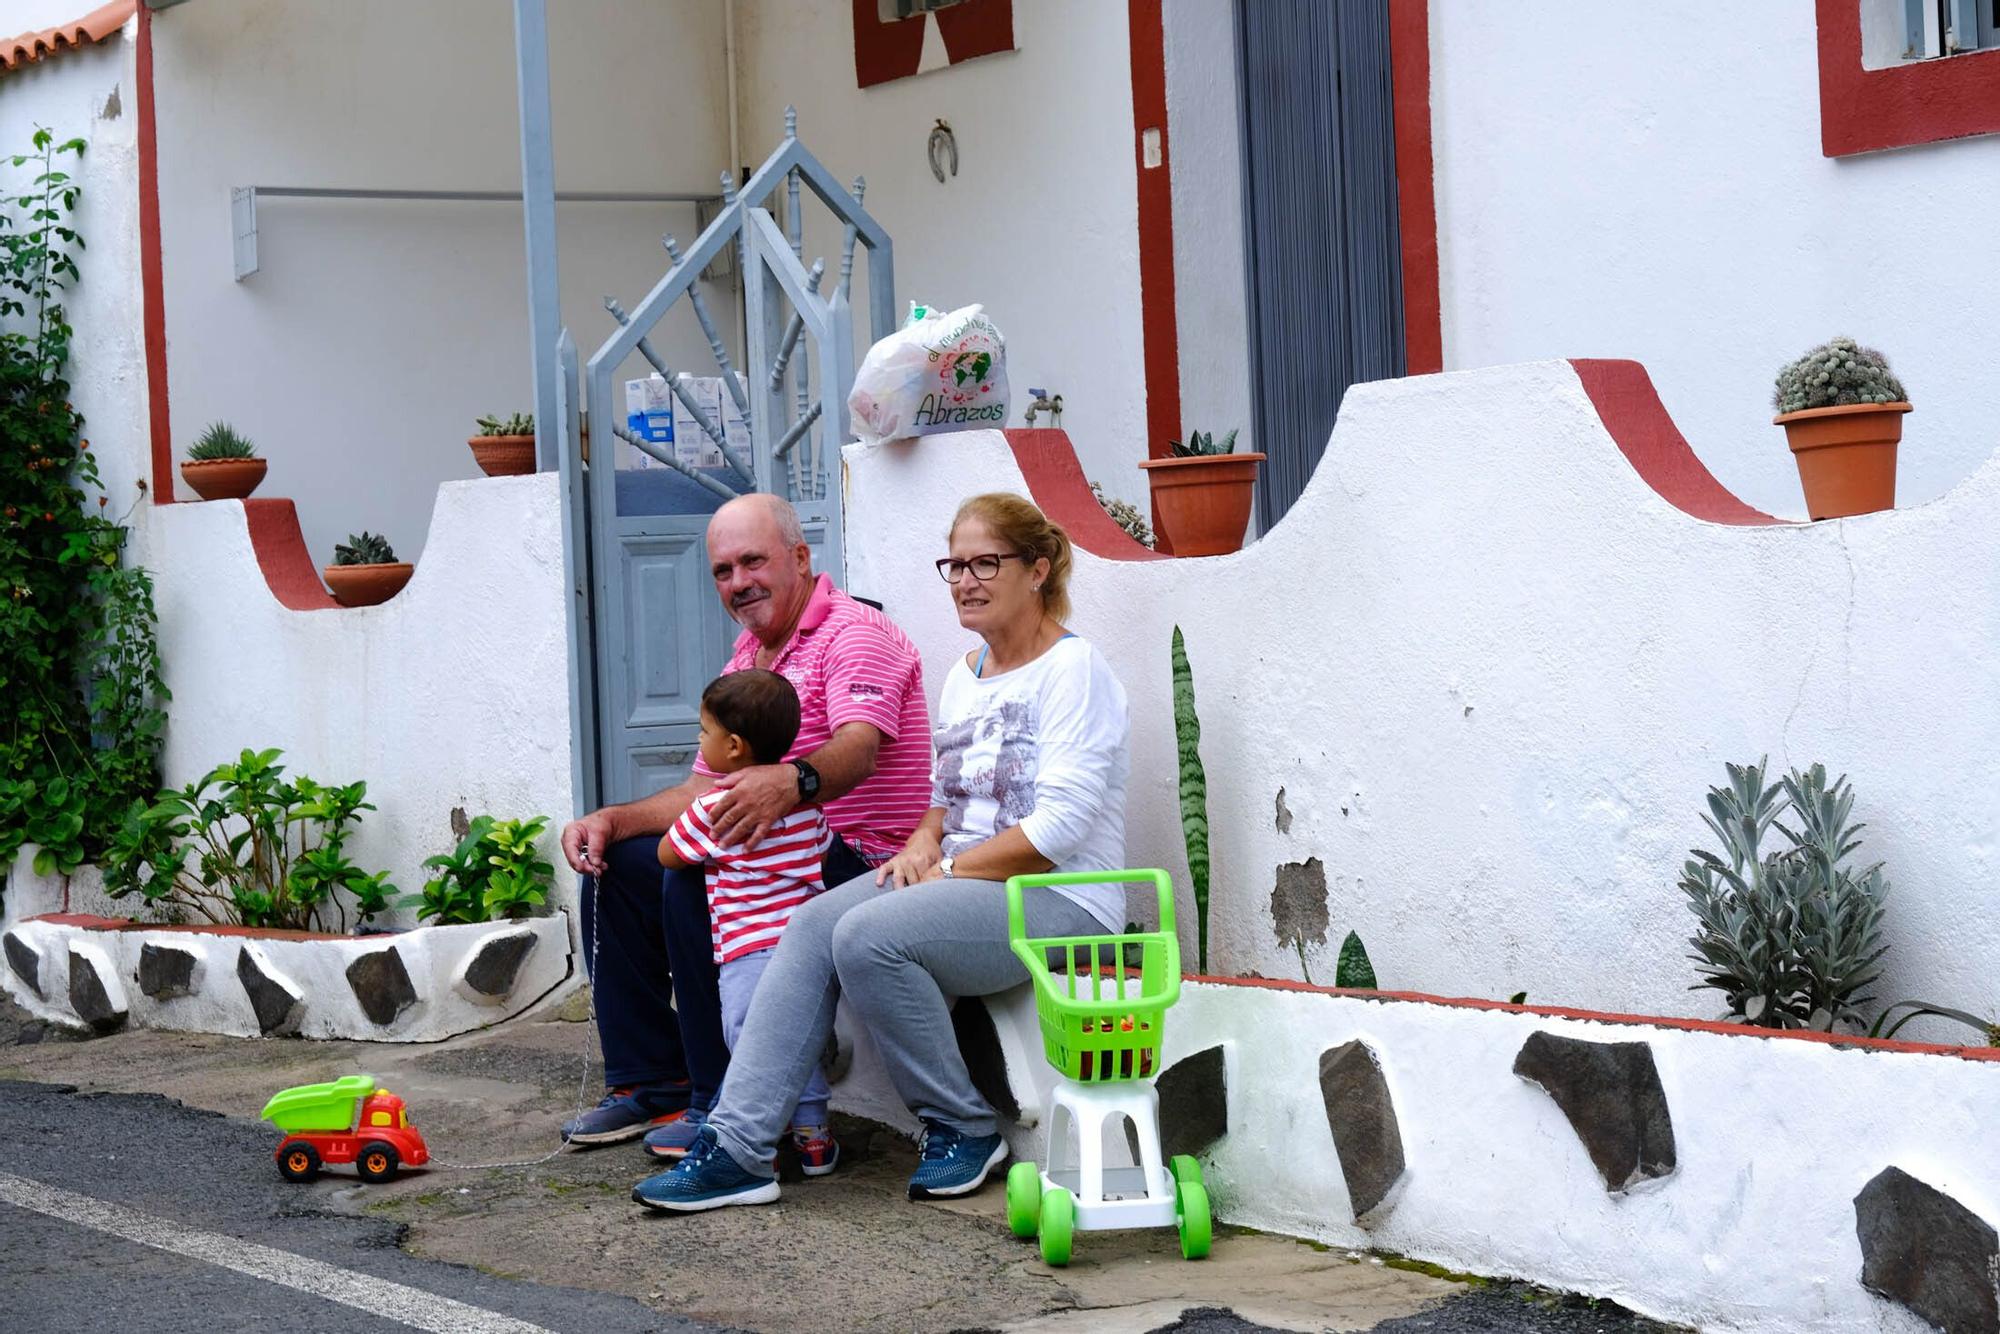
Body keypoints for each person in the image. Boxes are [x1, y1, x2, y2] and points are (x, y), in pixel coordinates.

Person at [632, 491, 1131, 1213]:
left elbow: (1056, 833)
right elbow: (946, 794)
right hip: (968, 885)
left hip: (1060, 898)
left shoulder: (1074, 673)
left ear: (1038, 568)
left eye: (986, 562)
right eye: (954, 565)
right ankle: (739, 1148)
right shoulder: (967, 674)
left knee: (868, 935)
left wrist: (945, 867)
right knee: (810, 924)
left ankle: (961, 1123)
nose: (966, 580)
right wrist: (927, 839)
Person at [559, 494, 931, 1150]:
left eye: (752, 562)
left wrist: (793, 781)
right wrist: (614, 820)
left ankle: (722, 1099)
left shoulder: (853, 634)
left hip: (864, 862)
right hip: (779, 859)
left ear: (799, 557)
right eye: (722, 571)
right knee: (616, 867)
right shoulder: (750, 658)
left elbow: (859, 746)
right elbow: (705, 790)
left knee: (696, 876)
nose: (737, 583)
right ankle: (652, 1079)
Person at [658, 668, 840, 1175]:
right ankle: (814, 1139)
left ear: (733, 746)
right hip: (803, 946)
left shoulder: (716, 808)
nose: (698, 741)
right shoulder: (806, 809)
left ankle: (756, 1140)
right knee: (796, 1037)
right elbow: (824, 850)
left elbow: (668, 855)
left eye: (703, 732)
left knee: (752, 1042)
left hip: (746, 950)